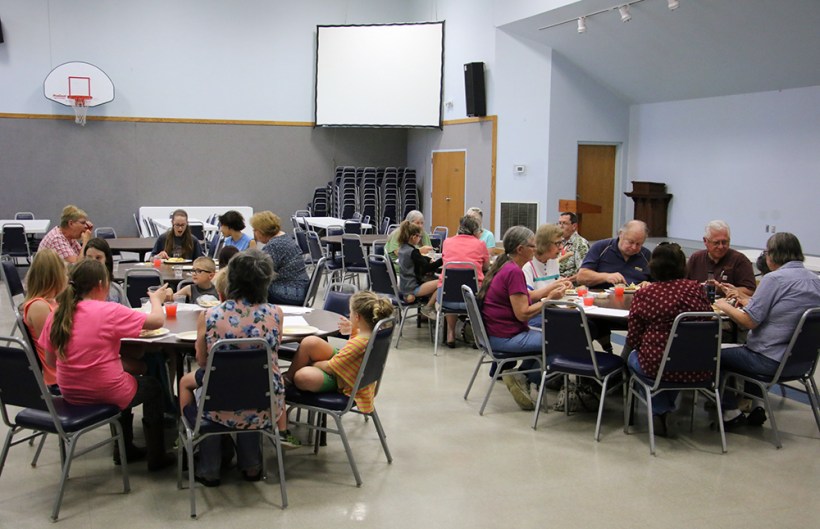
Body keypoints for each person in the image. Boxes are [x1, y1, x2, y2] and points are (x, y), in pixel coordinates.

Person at [39, 259, 173, 470]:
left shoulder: (57, 313)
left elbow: (50, 361)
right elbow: (156, 321)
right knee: (151, 387)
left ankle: (124, 449)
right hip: (106, 390)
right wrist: (156, 299)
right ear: (102, 284)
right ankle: (157, 456)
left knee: (125, 380)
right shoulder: (108, 310)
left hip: (70, 391)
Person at [177, 249, 290, 486]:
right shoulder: (275, 313)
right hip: (265, 403)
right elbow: (274, 352)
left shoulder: (209, 315)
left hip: (218, 402)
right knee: (250, 385)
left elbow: (204, 361)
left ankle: (208, 467)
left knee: (206, 385)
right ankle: (251, 465)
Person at [715, 232, 820, 428]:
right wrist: (746, 299)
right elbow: (785, 309)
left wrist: (724, 305)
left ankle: (730, 413)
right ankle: (757, 406)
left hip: (767, 360)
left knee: (715, 353)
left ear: (773, 255)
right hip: (799, 362)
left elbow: (749, 321)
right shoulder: (815, 280)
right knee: (749, 349)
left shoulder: (774, 279)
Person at [626, 242, 712, 437]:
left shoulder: (646, 294)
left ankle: (659, 409)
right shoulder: (696, 289)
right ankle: (664, 409)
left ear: (653, 266)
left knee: (634, 358)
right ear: (683, 265)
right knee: (673, 361)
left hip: (658, 366)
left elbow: (634, 336)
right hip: (698, 365)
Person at [286, 290, 394, 418]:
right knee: (310, 342)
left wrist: (310, 362)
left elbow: (329, 367)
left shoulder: (359, 344)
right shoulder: (370, 334)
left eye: (351, 313)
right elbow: (350, 352)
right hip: (346, 366)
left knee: (302, 376)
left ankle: (287, 380)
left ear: (357, 317)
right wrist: (353, 329)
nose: (349, 315)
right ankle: (287, 378)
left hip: (343, 379)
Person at [478, 226, 550, 410]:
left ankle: (521, 376)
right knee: (556, 341)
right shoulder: (514, 272)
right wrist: (548, 302)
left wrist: (553, 289)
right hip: (505, 338)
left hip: (494, 334)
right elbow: (523, 312)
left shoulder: (504, 266)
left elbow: (525, 296)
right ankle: (525, 377)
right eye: (532, 246)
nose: (535, 250)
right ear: (520, 249)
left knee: (548, 337)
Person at [433, 215, 490, 347]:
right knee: (483, 290)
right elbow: (486, 267)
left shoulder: (447, 242)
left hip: (446, 299)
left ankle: (450, 334)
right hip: (472, 300)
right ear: (475, 231)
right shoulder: (480, 244)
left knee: (450, 285)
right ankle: (477, 335)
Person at [21, 248, 66, 389]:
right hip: (58, 376)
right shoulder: (38, 307)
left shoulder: (53, 302)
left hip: (64, 368)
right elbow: (52, 346)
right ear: (57, 276)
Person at [250, 211, 310, 305]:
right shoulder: (284, 237)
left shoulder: (275, 245)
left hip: (291, 292)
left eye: (255, 230)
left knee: (250, 289)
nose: (254, 233)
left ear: (262, 231)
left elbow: (262, 273)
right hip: (300, 288)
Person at [686, 220, 756, 298]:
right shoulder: (696, 258)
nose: (721, 247)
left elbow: (751, 291)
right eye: (716, 243)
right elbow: (684, 285)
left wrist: (722, 289)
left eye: (724, 242)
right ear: (705, 241)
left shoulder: (739, 260)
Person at [577, 220, 652, 288]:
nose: (634, 247)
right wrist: (605, 277)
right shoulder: (601, 247)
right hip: (602, 298)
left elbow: (658, 283)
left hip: (635, 299)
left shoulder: (646, 255)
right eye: (630, 242)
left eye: (639, 244)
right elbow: (581, 277)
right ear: (621, 234)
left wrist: (648, 284)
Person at [397, 221, 442, 305]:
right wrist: (442, 260)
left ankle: (424, 317)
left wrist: (427, 259)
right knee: (442, 283)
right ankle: (427, 308)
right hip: (413, 287)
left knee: (433, 287)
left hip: (404, 286)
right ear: (414, 237)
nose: (420, 239)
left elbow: (416, 259)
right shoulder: (413, 252)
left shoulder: (402, 248)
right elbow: (427, 268)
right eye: (420, 237)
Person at [523, 223, 572, 301]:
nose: (561, 247)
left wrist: (563, 285)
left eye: (562, 242)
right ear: (545, 244)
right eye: (558, 243)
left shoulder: (553, 262)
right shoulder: (528, 265)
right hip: (537, 310)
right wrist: (551, 289)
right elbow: (527, 296)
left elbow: (555, 287)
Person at [83, 237, 126, 305]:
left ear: (107, 260)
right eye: (89, 258)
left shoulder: (116, 290)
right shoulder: (77, 289)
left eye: (98, 258)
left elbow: (128, 313)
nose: (94, 262)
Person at [557, 212, 589, 280]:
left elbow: (583, 273)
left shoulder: (580, 244)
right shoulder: (558, 242)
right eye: (559, 223)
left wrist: (566, 280)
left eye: (564, 223)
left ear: (574, 226)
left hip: (572, 286)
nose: (561, 226)